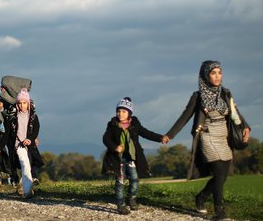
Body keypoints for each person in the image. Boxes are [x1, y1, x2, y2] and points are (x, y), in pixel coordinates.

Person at [165, 61, 250, 220]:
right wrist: (170, 135)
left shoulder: (225, 93)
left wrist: (245, 126)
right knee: (218, 172)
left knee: (222, 176)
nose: (217, 76)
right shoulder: (198, 96)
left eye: (219, 72)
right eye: (213, 73)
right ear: (206, 75)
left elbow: (235, 113)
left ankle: (201, 197)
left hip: (223, 137)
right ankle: (219, 211)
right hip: (208, 136)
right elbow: (184, 117)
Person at [102, 97, 167, 214]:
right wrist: (115, 147)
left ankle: (132, 199)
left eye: (124, 111)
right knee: (120, 182)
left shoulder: (135, 125)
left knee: (134, 180)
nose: (120, 114)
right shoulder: (112, 125)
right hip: (118, 159)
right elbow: (106, 138)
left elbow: (146, 133)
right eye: (118, 111)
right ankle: (120, 204)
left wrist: (160, 138)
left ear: (129, 114)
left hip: (131, 159)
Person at [8, 88, 43, 199]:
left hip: (30, 146)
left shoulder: (33, 117)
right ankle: (27, 192)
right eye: (20, 103)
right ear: (17, 105)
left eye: (24, 103)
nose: (22, 105)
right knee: (24, 165)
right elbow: (7, 133)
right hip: (18, 146)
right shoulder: (13, 118)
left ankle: (24, 187)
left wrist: (30, 139)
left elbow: (36, 129)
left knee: (27, 166)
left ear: (28, 104)